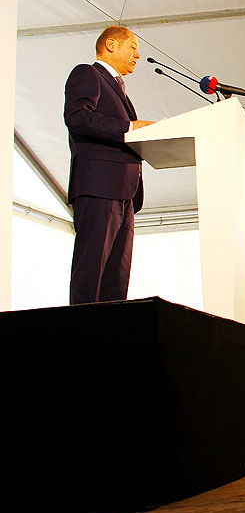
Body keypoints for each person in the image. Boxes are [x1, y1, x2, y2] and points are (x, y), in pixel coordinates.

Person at [64, 25, 154, 305]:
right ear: (111, 45)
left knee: (117, 277)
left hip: (125, 193)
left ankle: (110, 339)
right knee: (92, 271)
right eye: (133, 47)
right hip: (99, 187)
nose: (138, 55)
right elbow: (77, 116)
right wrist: (129, 127)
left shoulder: (119, 89)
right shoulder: (87, 74)